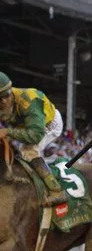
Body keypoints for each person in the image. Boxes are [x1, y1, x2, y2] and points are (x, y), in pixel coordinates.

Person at [0, 71, 68, 205]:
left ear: (10, 91)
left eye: (6, 96)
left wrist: (7, 132)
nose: (3, 101)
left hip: (48, 124)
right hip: (24, 125)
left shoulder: (29, 101)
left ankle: (57, 191)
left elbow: (36, 136)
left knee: (28, 151)